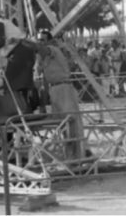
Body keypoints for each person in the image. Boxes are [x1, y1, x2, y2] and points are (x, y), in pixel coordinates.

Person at [28, 30, 85, 160]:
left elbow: (40, 48)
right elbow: (44, 80)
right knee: (62, 126)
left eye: (42, 39)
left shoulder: (52, 49)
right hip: (54, 90)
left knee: (72, 124)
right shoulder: (42, 58)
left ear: (49, 41)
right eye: (39, 39)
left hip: (64, 88)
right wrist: (43, 104)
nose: (40, 42)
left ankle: (80, 155)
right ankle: (69, 157)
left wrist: (26, 42)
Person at [0, 3, 36, 113]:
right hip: (27, 51)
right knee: (23, 82)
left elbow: (1, 41)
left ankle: (15, 109)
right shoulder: (5, 22)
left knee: (9, 82)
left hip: (19, 52)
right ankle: (27, 108)